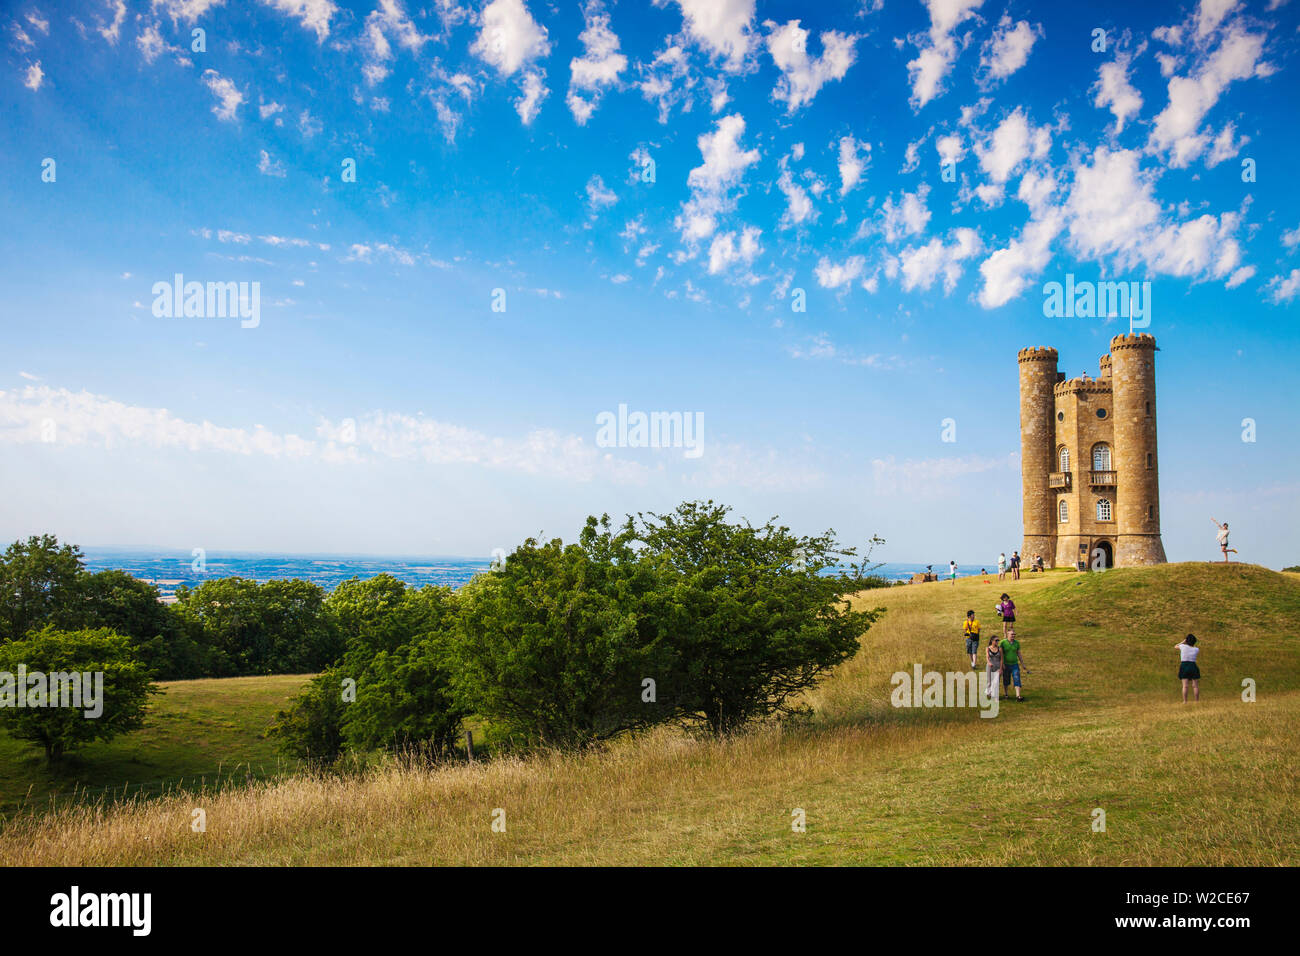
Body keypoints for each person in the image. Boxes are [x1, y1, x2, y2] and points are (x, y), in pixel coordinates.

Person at [1000, 628, 1025, 701]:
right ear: (1008, 634)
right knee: (1006, 680)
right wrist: (1002, 664)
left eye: (1014, 634)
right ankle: (1006, 694)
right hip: (1006, 664)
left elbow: (1019, 653)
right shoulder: (1003, 643)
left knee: (1017, 678)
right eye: (1012, 634)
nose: (1013, 636)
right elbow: (1001, 654)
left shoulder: (1016, 643)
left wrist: (1022, 663)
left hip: (1014, 664)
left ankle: (1018, 696)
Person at [1177, 634, 1201, 702]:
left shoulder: (1182, 646)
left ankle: (1185, 701)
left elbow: (1175, 646)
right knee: (1195, 686)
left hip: (1184, 665)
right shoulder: (1196, 649)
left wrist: (1183, 641)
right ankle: (1197, 701)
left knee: (1185, 686)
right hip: (1193, 665)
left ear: (1187, 641)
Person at [985, 634, 1002, 699]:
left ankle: (995, 695)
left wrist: (1001, 669)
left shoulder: (1000, 649)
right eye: (996, 640)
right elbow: (987, 657)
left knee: (996, 681)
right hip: (990, 666)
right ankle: (989, 692)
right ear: (992, 641)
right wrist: (989, 662)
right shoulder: (988, 648)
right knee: (989, 681)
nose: (997, 642)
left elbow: (1001, 659)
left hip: (997, 666)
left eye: (998, 640)